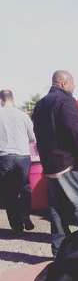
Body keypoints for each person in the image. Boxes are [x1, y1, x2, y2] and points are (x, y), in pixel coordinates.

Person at [32, 70, 78, 257]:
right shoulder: (66, 100)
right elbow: (75, 128)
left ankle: (58, 250)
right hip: (68, 162)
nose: (74, 87)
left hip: (50, 164)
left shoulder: (41, 103)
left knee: (56, 208)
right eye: (73, 84)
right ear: (65, 83)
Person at [0, 89, 36, 233]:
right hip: (23, 156)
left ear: (1, 100)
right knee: (25, 187)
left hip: (5, 157)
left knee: (9, 192)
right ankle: (25, 214)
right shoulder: (23, 115)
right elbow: (32, 137)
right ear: (13, 100)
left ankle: (16, 226)